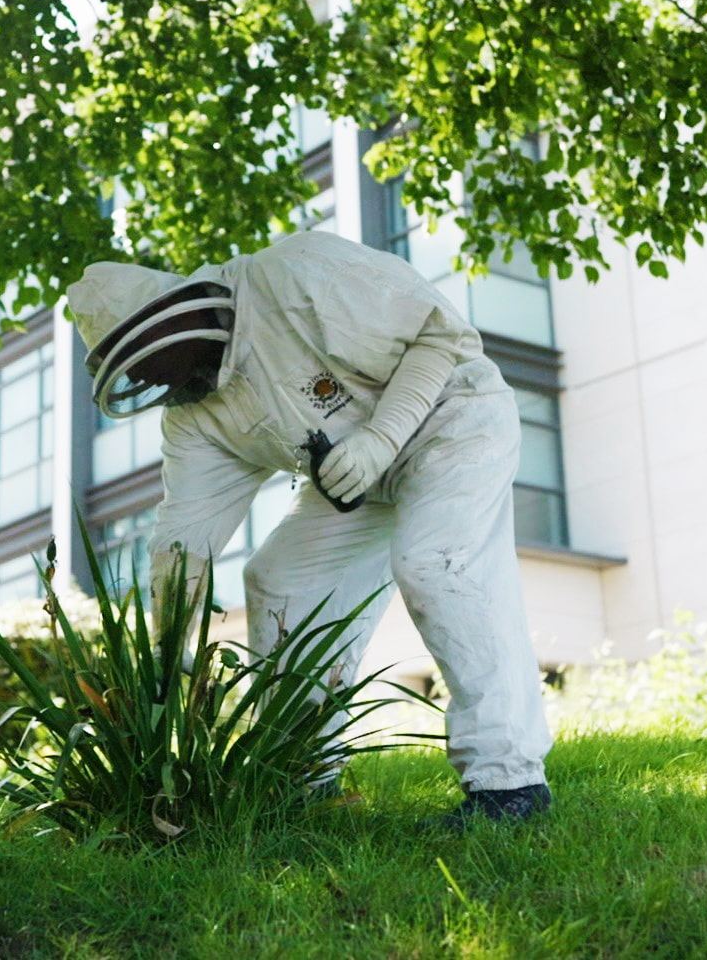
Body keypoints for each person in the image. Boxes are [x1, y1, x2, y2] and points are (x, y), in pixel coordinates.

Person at [65, 229, 553, 826]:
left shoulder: (294, 273)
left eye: (146, 354)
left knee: (434, 562)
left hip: (455, 417)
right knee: (278, 581)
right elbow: (183, 538)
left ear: (165, 319)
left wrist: (381, 437)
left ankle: (510, 784)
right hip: (357, 481)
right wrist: (171, 649)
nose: (154, 375)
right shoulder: (195, 419)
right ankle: (303, 773)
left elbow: (439, 336)